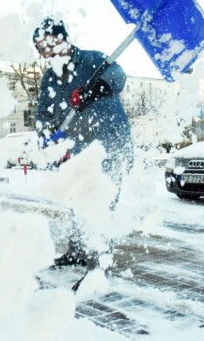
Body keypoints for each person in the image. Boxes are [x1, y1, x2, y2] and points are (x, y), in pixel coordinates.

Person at [32, 17, 134, 273]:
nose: (45, 51)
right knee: (77, 198)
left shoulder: (92, 60)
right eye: (40, 48)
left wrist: (98, 87)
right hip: (78, 149)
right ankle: (77, 252)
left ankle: (101, 259)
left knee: (103, 200)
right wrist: (45, 135)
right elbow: (43, 114)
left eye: (48, 44)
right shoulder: (49, 79)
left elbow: (118, 76)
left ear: (63, 39)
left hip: (109, 141)